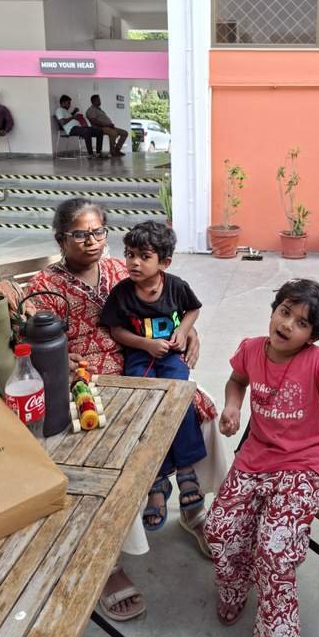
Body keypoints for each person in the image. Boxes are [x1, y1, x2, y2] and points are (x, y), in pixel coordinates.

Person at [0, 197, 218, 622]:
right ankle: (108, 559)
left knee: (193, 402)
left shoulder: (122, 269)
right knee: (115, 439)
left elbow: (170, 308)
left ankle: (191, 507)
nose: (92, 241)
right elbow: (29, 338)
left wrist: (191, 334)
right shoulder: (46, 285)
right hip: (89, 373)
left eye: (98, 231)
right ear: (61, 239)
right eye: (80, 234)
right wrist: (61, 358)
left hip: (142, 359)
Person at [204, 279, 319, 634]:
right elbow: (237, 381)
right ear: (274, 309)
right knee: (219, 529)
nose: (287, 324)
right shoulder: (251, 349)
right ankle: (236, 587)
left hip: (303, 466)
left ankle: (276, 629)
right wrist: (233, 406)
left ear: (312, 337)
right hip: (256, 457)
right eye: (285, 312)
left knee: (274, 551)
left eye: (301, 323)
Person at [101, 221, 207, 530]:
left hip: (172, 355)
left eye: (144, 256)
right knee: (143, 408)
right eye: (129, 254)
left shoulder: (175, 286)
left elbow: (192, 310)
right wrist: (145, 344)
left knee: (180, 400)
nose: (134, 262)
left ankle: (186, 470)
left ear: (164, 262)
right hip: (139, 356)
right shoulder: (122, 293)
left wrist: (182, 331)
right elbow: (116, 330)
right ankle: (157, 479)